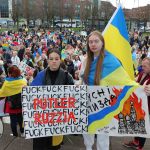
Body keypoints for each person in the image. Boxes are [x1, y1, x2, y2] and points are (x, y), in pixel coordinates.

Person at [79, 31, 137, 150]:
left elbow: (124, 81)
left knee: (103, 136)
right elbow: (82, 81)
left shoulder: (111, 61)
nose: (93, 44)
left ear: (102, 43)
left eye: (96, 41)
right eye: (90, 42)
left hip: (103, 104)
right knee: (87, 132)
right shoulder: (85, 61)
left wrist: (141, 88)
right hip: (87, 102)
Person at [31, 48, 74, 150]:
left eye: (56, 58)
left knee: (54, 147)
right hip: (41, 122)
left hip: (57, 121)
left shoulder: (67, 77)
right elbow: (32, 96)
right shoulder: (40, 75)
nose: (54, 61)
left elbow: (73, 99)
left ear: (60, 60)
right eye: (51, 59)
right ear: (47, 60)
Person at [123, 57, 150, 150]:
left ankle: (140, 146)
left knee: (143, 126)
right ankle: (135, 141)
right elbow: (134, 81)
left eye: (145, 66)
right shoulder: (142, 73)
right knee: (136, 122)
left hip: (147, 107)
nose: (143, 68)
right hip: (138, 104)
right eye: (142, 66)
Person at [0, 65, 27, 137]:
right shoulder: (23, 81)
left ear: (10, 73)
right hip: (20, 103)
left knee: (13, 120)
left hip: (11, 104)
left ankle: (15, 134)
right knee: (20, 119)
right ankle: (22, 132)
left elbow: (2, 93)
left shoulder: (7, 82)